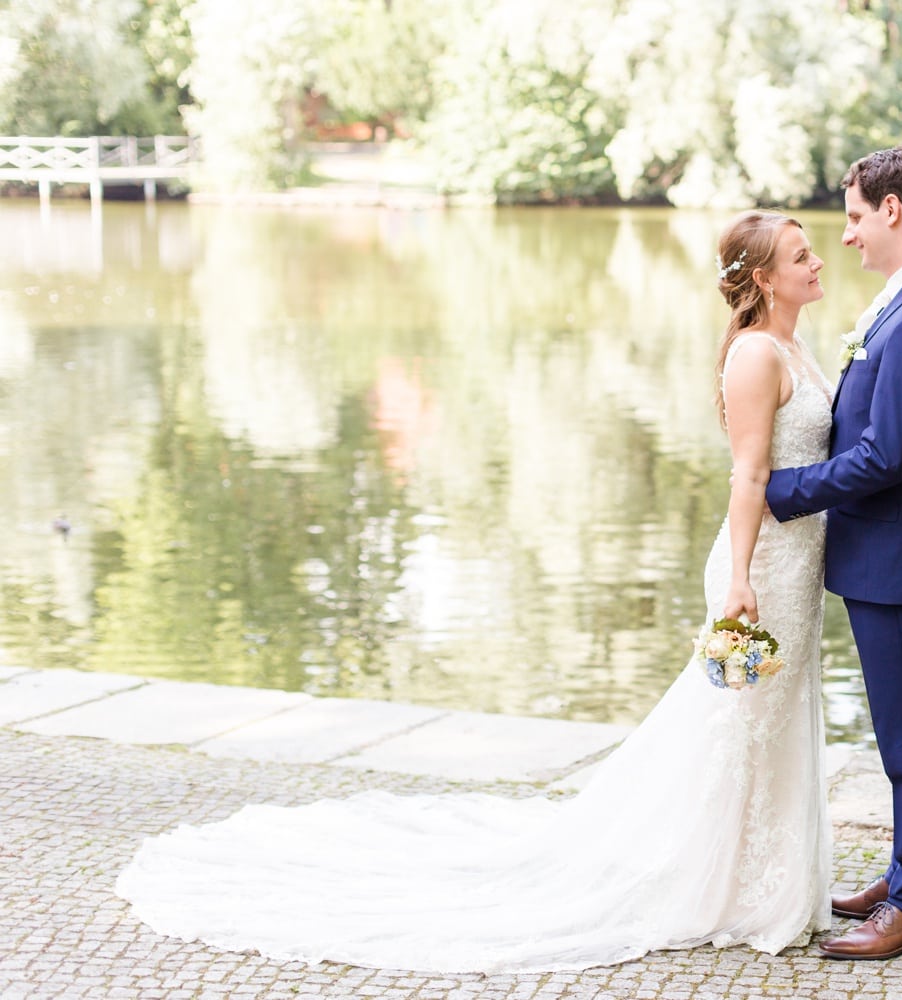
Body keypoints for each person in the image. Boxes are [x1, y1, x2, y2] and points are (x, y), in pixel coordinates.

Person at [114, 210, 837, 975]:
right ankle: (720, 886)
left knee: (766, 724)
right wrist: (735, 581)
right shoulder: (756, 355)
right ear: (763, 278)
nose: (818, 260)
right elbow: (748, 474)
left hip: (793, 567)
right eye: (801, 254)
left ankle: (764, 881)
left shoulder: (795, 343)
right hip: (758, 572)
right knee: (737, 728)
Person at [765, 146, 902, 961]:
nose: (846, 236)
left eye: (854, 216)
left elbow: (886, 456)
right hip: (889, 554)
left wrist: (784, 492)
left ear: (893, 210)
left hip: (899, 559)